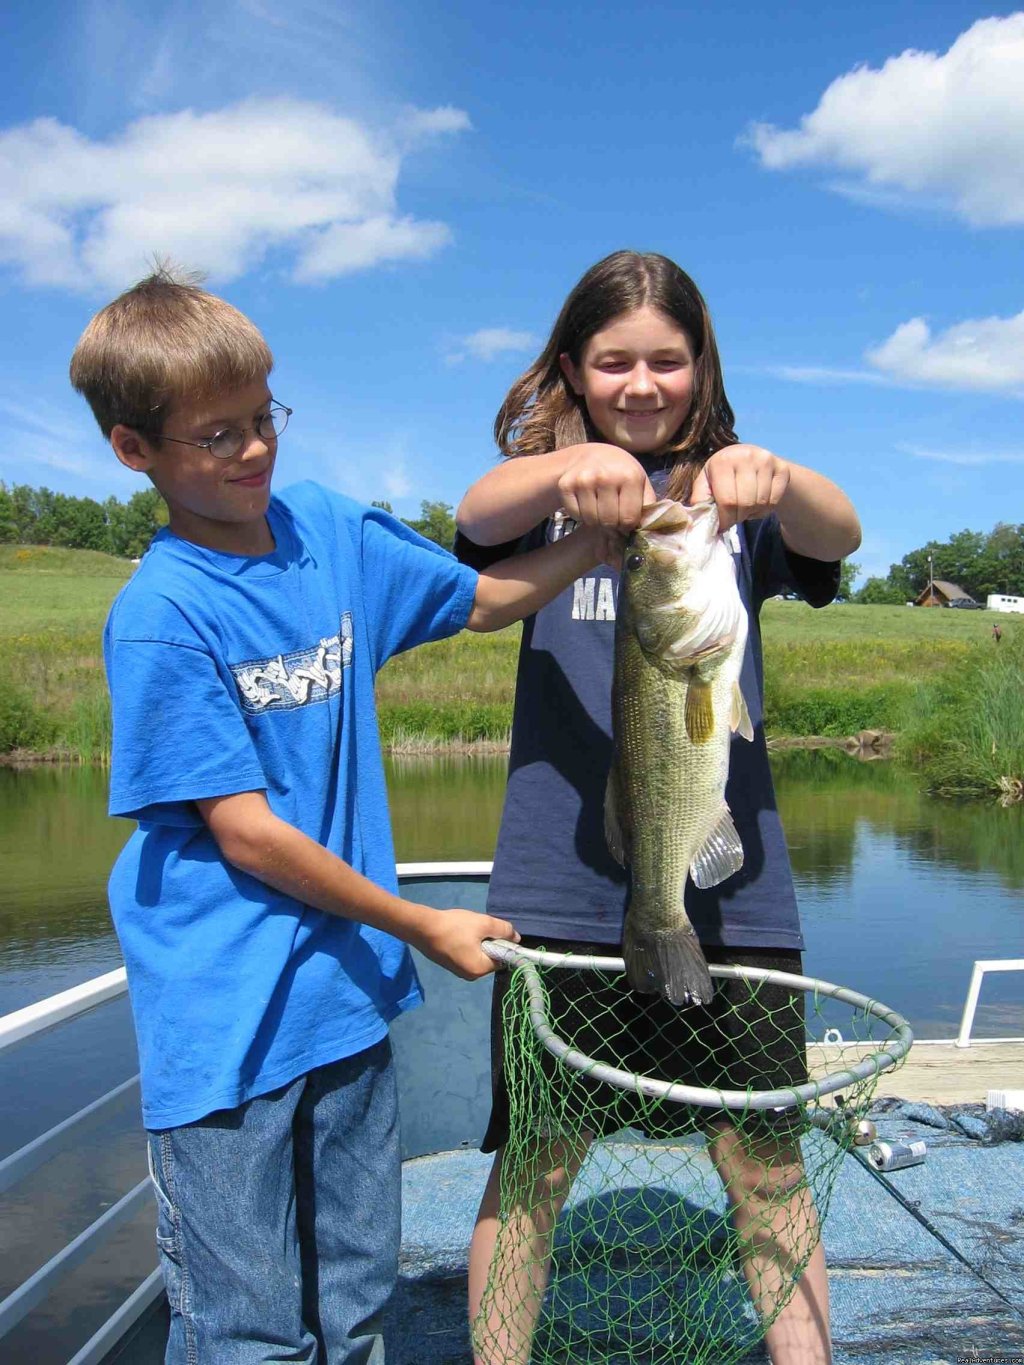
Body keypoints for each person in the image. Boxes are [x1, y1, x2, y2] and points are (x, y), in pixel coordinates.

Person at [68, 268, 611, 1365]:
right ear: (136, 452)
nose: (255, 451)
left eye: (263, 417)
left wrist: (607, 539)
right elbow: (245, 834)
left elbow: (489, 600)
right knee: (247, 1329)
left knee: (358, 1300)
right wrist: (423, 923)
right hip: (226, 1025)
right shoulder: (162, 614)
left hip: (348, 1002)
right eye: (217, 437)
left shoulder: (325, 531)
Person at [454, 250, 861, 1365]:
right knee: (534, 1166)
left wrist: (771, 476)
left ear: (701, 366)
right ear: (574, 371)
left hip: (737, 896)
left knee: (767, 1167)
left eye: (666, 362)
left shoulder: (727, 505)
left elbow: (838, 535)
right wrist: (560, 473)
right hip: (558, 890)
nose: (641, 384)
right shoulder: (550, 495)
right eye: (613, 362)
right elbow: (476, 515)